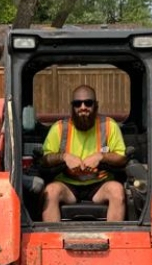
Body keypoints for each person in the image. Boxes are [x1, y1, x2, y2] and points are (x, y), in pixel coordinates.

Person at [40, 85, 127, 222]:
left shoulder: (110, 126)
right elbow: (45, 159)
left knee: (117, 191)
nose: (83, 107)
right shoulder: (59, 128)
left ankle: (112, 239)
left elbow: (122, 158)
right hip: (67, 184)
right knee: (50, 191)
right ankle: (52, 240)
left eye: (88, 103)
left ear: (96, 105)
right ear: (72, 107)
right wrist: (64, 157)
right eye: (77, 103)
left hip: (100, 184)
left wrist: (101, 156)